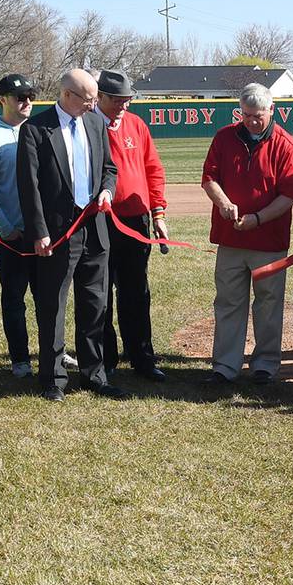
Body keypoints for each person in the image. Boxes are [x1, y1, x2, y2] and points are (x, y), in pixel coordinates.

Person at [17, 68, 123, 402]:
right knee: (53, 306)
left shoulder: (95, 123)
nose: (94, 106)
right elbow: (28, 186)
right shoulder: (36, 129)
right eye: (89, 99)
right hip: (56, 235)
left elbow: (109, 168)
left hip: (95, 230)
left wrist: (107, 191)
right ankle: (53, 379)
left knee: (95, 304)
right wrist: (39, 232)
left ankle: (95, 374)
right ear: (67, 95)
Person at [202, 83, 293, 385]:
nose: (251, 121)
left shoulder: (286, 145)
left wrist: (257, 219)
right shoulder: (224, 137)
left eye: (257, 116)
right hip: (230, 238)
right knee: (229, 302)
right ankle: (224, 366)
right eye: (246, 115)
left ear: (271, 111)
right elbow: (209, 178)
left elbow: (288, 196)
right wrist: (224, 203)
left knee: (269, 304)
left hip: (268, 241)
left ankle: (265, 365)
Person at [95, 70, 169, 382]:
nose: (123, 106)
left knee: (137, 291)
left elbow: (153, 168)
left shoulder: (136, 125)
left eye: (127, 100)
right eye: (117, 100)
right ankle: (106, 358)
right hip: (101, 219)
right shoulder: (89, 125)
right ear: (99, 97)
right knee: (101, 292)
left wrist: (158, 213)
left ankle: (142, 357)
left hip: (137, 219)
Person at [0, 73, 38, 378]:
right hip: (10, 234)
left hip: (39, 231)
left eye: (30, 96)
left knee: (47, 297)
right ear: (2, 99)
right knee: (15, 296)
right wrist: (4, 226)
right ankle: (20, 359)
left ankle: (51, 352)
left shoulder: (39, 130)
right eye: (20, 97)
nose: (26, 102)